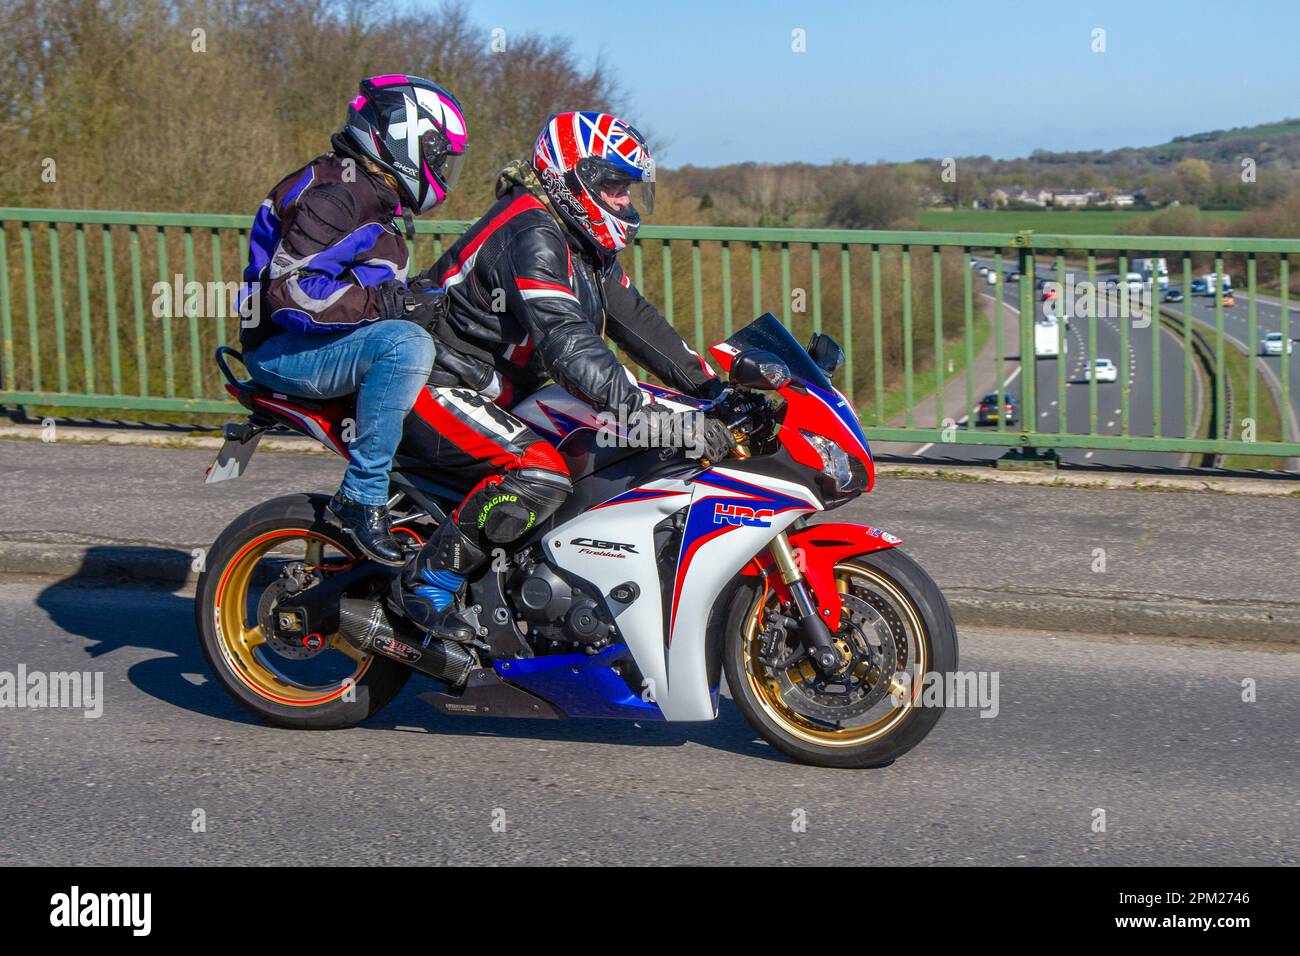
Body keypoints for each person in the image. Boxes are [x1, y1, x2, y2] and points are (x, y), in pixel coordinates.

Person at [397, 110, 732, 641]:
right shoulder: (533, 231)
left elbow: (639, 324)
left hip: (505, 388)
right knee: (541, 472)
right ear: (572, 177)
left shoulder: (583, 241)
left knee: (631, 446)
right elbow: (568, 346)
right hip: (438, 382)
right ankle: (427, 583)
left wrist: (715, 392)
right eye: (615, 185)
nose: (624, 200)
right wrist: (653, 417)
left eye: (629, 188)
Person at [238, 75, 468, 566]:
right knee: (404, 346)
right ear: (401, 137)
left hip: (320, 343)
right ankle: (361, 498)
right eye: (438, 152)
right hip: (282, 347)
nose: (442, 166)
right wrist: (387, 307)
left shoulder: (371, 195)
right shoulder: (337, 197)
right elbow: (291, 293)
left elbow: (369, 289)